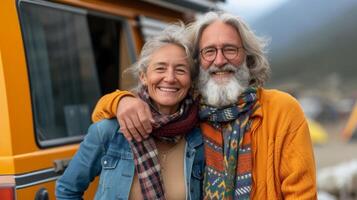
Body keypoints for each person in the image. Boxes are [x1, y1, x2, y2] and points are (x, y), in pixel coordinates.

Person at [92, 11, 317, 199]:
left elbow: (302, 194)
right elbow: (100, 115)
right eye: (209, 51)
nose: (219, 61)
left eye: (230, 49)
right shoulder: (186, 111)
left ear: (247, 57)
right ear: (197, 61)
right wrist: (121, 101)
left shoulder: (282, 109)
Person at [56, 24, 205, 200]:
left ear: (190, 80)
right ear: (143, 76)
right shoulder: (110, 131)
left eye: (180, 70)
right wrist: (120, 100)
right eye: (160, 68)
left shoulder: (199, 137)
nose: (170, 78)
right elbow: (67, 190)